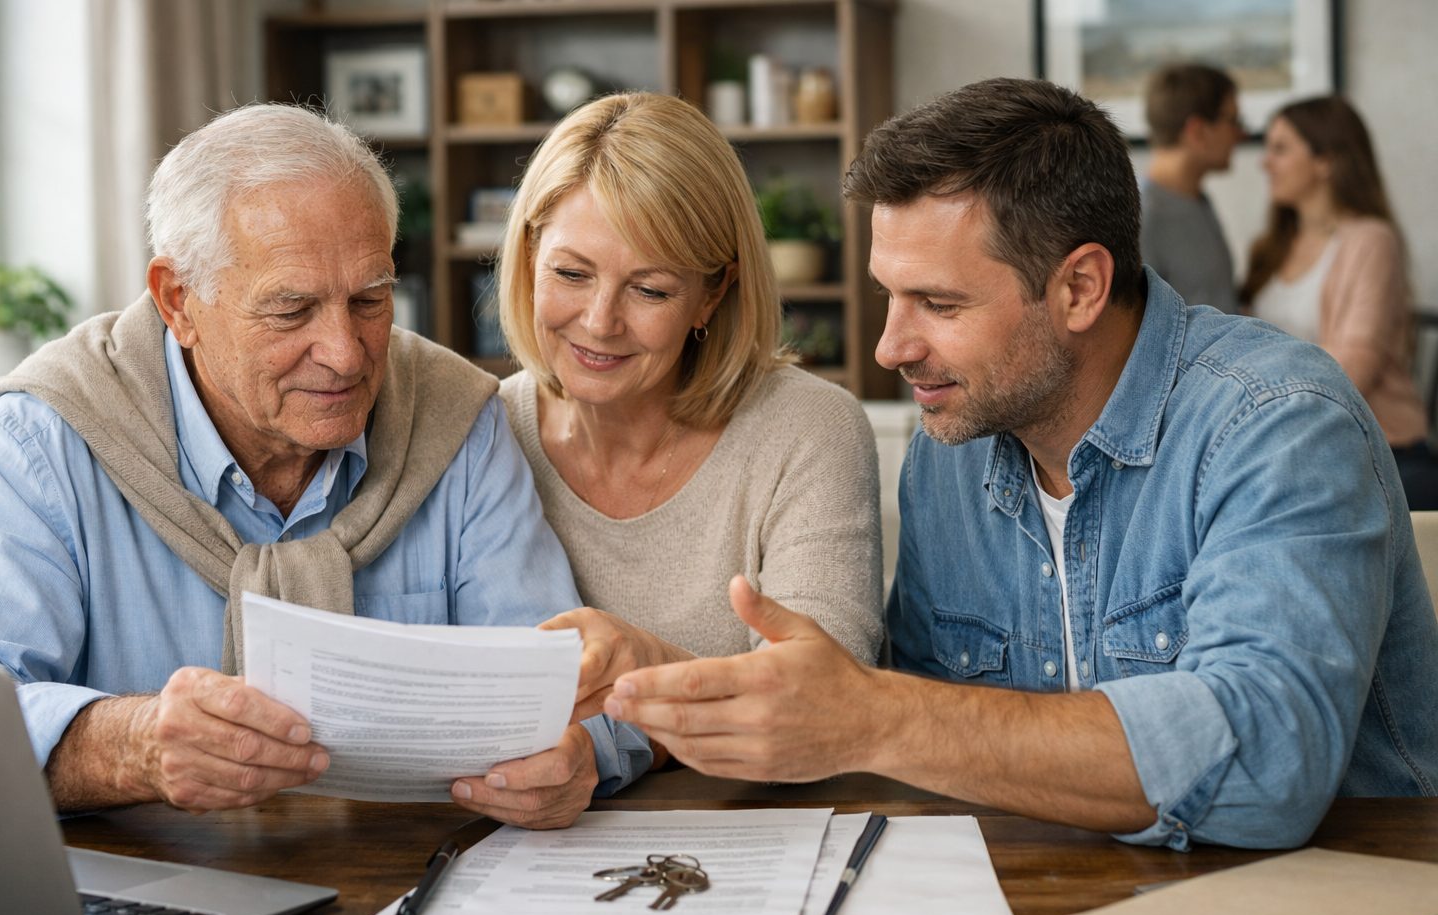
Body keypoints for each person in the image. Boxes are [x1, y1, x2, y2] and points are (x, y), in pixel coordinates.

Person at [602, 78, 1438, 851]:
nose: (892, 346)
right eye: (890, 294)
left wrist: (873, 717)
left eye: (939, 303)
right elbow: (938, 733)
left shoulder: (1277, 423)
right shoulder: (954, 451)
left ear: (1079, 288)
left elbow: (1270, 763)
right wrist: (688, 691)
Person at [0, 103, 640, 829]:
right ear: (178, 301)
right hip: (144, 895)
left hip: (408, 889)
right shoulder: (45, 436)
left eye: (371, 299)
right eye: (291, 311)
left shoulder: (457, 419)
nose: (347, 354)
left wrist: (573, 758)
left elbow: (568, 691)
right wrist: (133, 746)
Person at [464, 92, 881, 782]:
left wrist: (645, 676)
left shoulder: (809, 431)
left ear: (712, 295)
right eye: (570, 274)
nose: (599, 322)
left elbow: (826, 708)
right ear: (529, 256)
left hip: (769, 839)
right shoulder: (486, 431)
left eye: (650, 290)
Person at [1242, 95, 1438, 510]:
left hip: (1376, 446)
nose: (1264, 162)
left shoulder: (1370, 240)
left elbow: (1355, 367)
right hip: (1286, 442)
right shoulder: (1271, 248)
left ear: (1325, 161)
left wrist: (1257, 397)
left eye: (1280, 148)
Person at [1139, 64, 1244, 312]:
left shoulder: (1197, 200)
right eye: (1233, 121)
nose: (1240, 134)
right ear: (1197, 131)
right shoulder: (1144, 217)